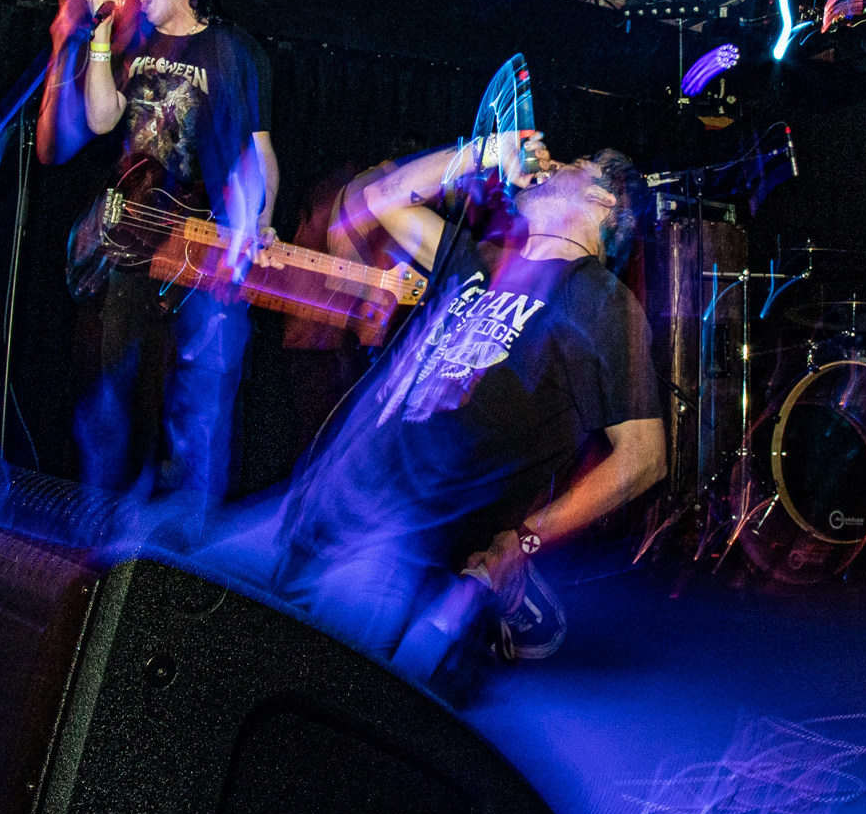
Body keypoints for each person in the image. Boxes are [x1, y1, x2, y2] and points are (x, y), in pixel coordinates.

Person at [191, 134, 665, 670]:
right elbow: (381, 198)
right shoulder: (485, 262)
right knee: (184, 625)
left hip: (392, 550)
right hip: (306, 510)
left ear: (603, 199)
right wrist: (485, 151)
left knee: (315, 687)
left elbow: (644, 456)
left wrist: (526, 542)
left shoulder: (600, 299)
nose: (552, 164)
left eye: (575, 164)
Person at [40, 0, 278, 499]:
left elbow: (260, 152)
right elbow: (102, 119)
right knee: (118, 401)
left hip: (201, 251)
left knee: (194, 408)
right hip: (130, 248)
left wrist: (260, 221)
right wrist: (100, 36)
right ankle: (109, 521)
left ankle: (184, 535)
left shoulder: (233, 50)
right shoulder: (137, 45)